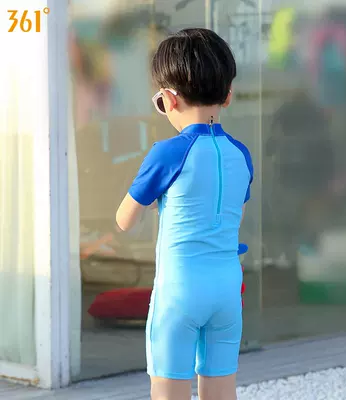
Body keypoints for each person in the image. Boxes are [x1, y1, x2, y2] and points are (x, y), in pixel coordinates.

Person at [116, 28, 253, 400]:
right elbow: (233, 213)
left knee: (169, 388)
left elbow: (124, 219)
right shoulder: (241, 154)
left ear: (168, 99)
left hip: (180, 290)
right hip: (228, 288)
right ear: (228, 95)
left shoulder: (167, 153)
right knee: (221, 388)